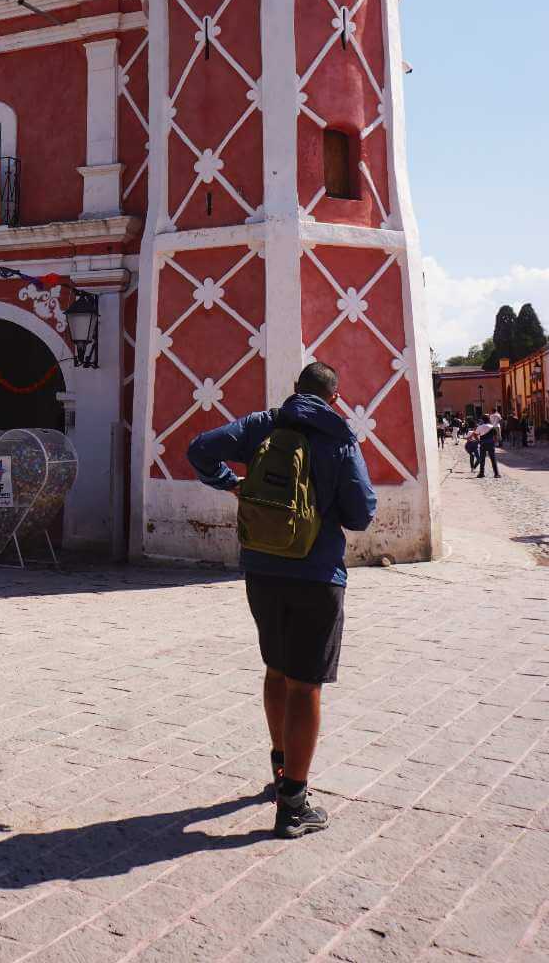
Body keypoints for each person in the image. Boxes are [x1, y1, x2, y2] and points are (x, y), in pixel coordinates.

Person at [187, 360, 377, 839]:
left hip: (262, 568)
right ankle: (293, 805)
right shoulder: (339, 438)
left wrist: (236, 487)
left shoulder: (260, 425)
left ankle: (278, 773)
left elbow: (199, 450)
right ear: (334, 398)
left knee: (275, 669)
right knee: (306, 684)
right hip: (317, 574)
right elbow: (360, 514)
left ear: (295, 389)